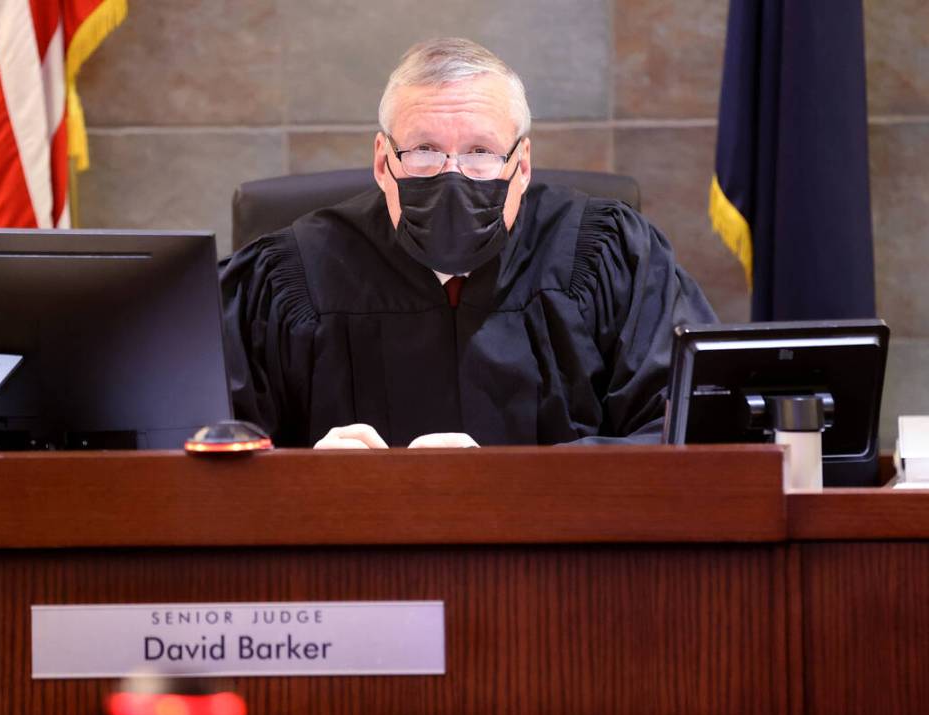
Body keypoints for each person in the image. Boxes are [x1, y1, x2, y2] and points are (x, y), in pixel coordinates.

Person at [221, 38, 716, 449]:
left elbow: (690, 428)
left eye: (480, 153)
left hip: (557, 560)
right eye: (424, 151)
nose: (452, 177)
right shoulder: (294, 274)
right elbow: (205, 437)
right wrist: (303, 472)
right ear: (382, 162)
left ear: (521, 165)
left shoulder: (610, 256)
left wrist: (511, 483)